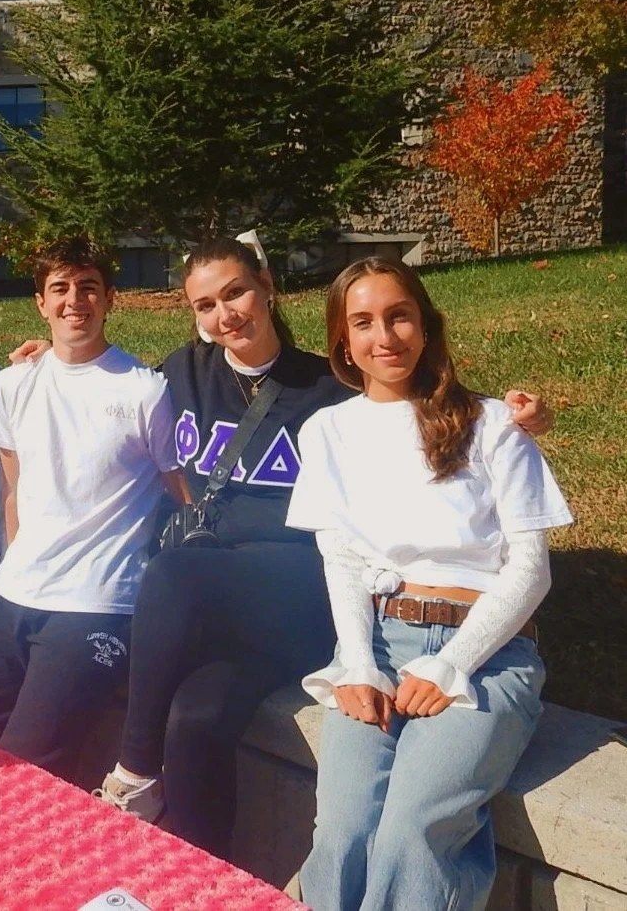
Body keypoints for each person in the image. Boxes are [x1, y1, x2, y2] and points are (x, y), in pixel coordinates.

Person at [91, 235, 552, 858]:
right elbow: (110, 391)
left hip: (302, 593)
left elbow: (412, 399)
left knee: (173, 574)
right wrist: (37, 362)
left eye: (235, 293)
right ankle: (207, 882)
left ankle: (134, 772)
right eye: (206, 305)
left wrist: (521, 418)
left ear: (267, 287)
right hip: (224, 601)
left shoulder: (327, 389)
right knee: (196, 717)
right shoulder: (182, 373)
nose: (226, 314)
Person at [285, 257, 572, 910]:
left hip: (485, 653)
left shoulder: (493, 424)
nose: (384, 336)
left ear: (425, 324)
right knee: (341, 832)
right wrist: (358, 664)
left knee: (411, 836)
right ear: (342, 342)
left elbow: (530, 568)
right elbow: (342, 560)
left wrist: (452, 664)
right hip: (379, 644)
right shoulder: (327, 431)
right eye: (363, 322)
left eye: (399, 316)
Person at [0, 237, 188, 782]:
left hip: (95, 603)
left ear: (110, 299)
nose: (74, 300)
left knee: (30, 772)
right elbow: (14, 490)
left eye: (88, 287)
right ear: (41, 303)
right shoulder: (11, 385)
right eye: (60, 288)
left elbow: (181, 493)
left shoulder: (145, 391)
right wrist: (10, 568)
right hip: (11, 592)